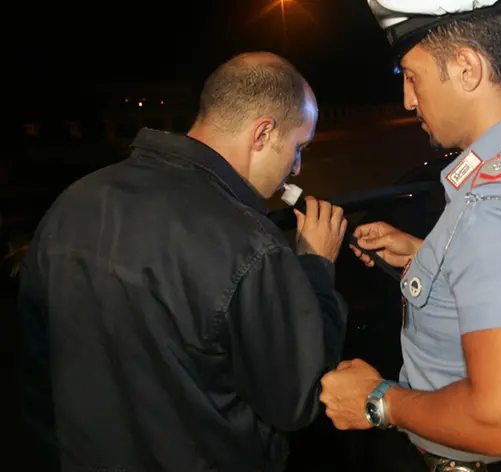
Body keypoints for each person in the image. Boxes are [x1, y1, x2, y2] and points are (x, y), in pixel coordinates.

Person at [17, 52, 348, 472]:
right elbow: (295, 401)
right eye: (298, 148)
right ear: (263, 133)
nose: (297, 168)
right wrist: (316, 268)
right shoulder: (249, 244)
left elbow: (36, 373)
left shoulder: (75, 201)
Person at [318, 1, 501, 471]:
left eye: (412, 76)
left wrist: (378, 400)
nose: (408, 99)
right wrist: (428, 256)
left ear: (467, 68)